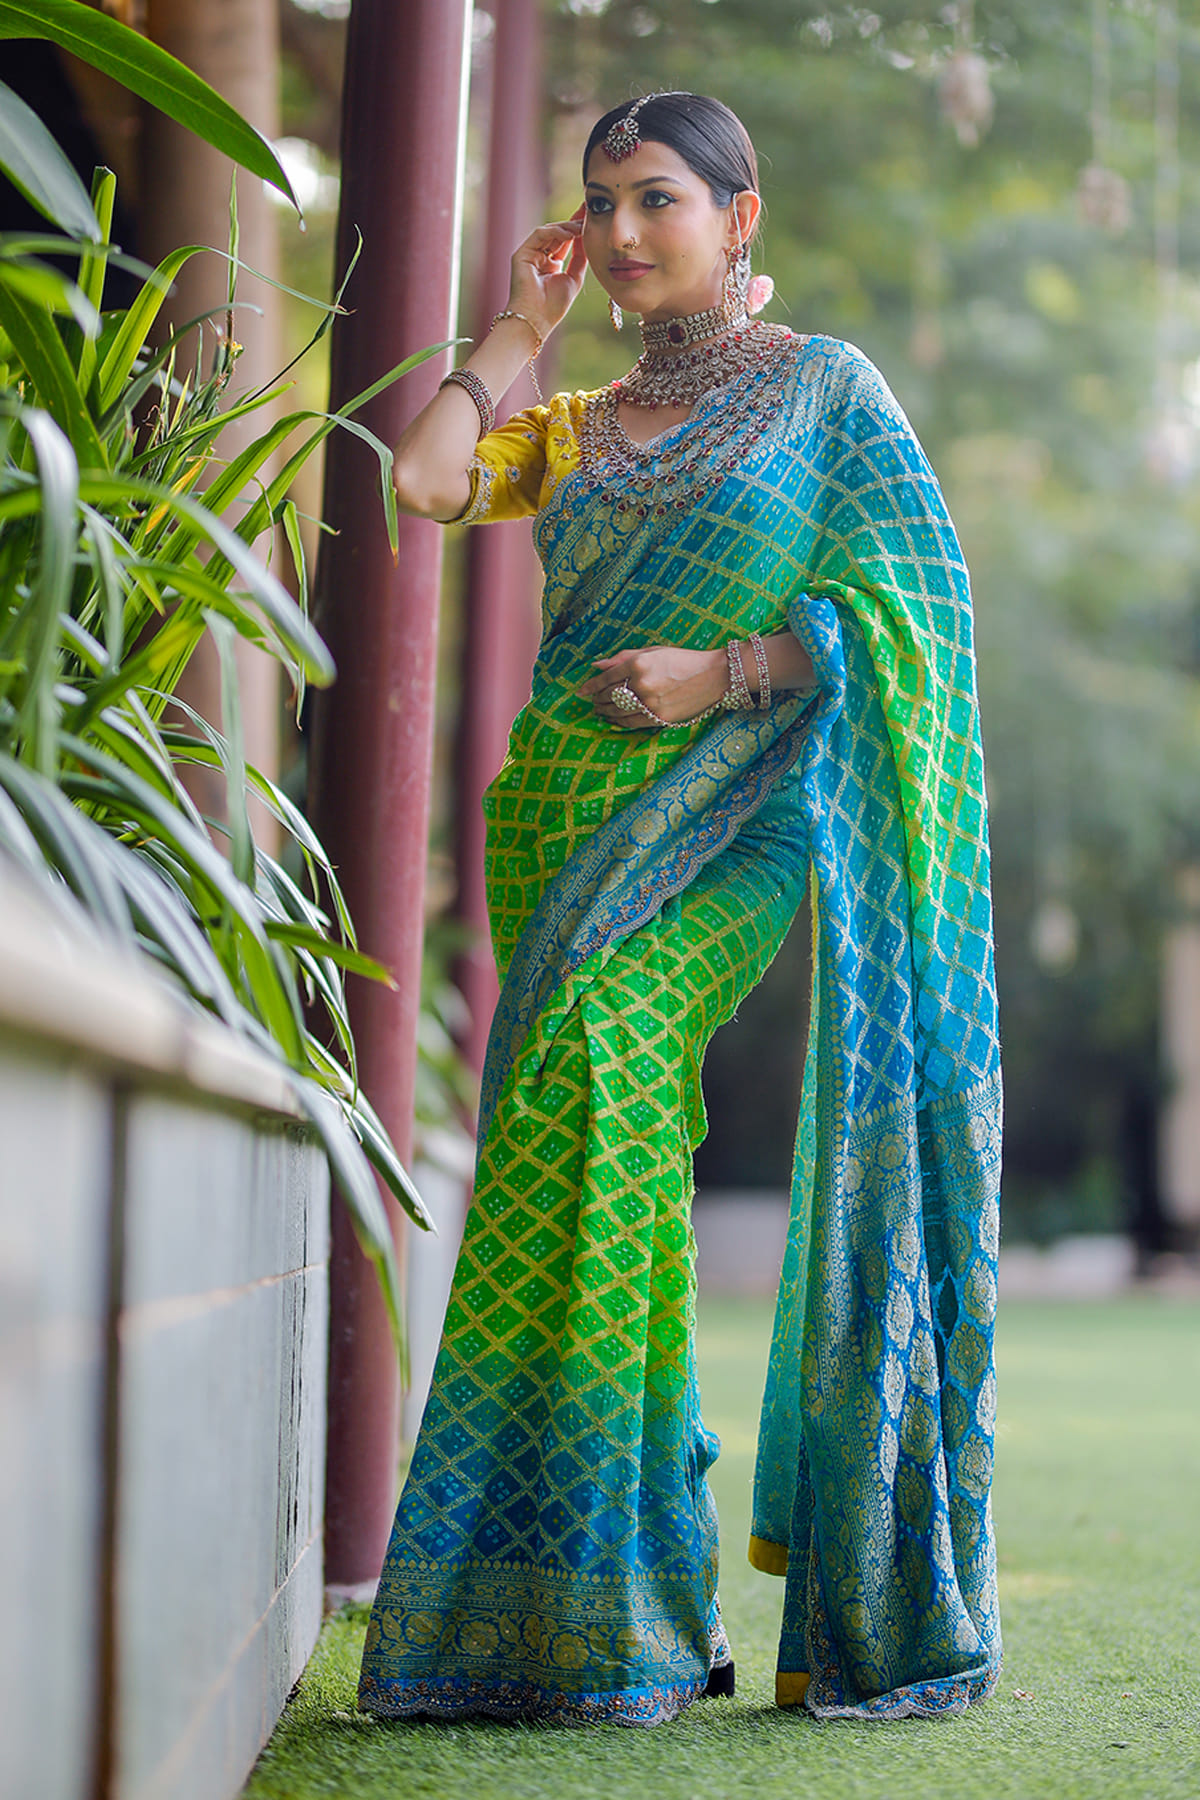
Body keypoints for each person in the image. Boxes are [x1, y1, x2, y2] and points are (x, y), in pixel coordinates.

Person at [358, 90, 1003, 1727]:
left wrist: (729, 671)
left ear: (741, 215)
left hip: (728, 835)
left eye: (659, 199)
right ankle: (628, 1598)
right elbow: (425, 484)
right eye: (604, 202)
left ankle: (596, 1592)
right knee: (602, 1148)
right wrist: (513, 325)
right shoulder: (570, 426)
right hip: (562, 825)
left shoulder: (823, 397)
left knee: (594, 1054)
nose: (628, 232)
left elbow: (921, 611)